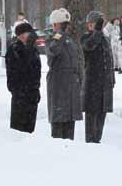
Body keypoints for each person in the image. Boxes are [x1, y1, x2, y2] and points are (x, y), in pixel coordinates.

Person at [45, 8, 84, 140]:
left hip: (71, 89)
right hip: (58, 89)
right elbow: (53, 51)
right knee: (58, 128)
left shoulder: (70, 41)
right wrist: (60, 35)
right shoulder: (52, 40)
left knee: (69, 127)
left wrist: (79, 79)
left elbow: (77, 62)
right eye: (63, 25)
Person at [81, 11, 116, 143]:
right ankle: (91, 143)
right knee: (92, 117)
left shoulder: (104, 39)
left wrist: (112, 79)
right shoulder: (86, 38)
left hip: (104, 85)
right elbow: (89, 46)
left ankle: (97, 141)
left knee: (101, 116)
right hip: (92, 85)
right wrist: (97, 31)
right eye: (97, 24)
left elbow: (109, 59)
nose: (99, 26)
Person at [5, 23, 41, 133]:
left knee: (30, 130)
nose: (32, 35)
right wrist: (19, 92)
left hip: (32, 95)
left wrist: (36, 89)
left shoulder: (33, 49)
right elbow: (21, 69)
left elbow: (36, 71)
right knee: (18, 131)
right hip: (20, 96)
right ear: (21, 35)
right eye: (29, 33)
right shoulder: (14, 49)